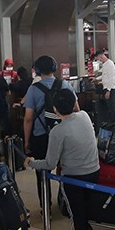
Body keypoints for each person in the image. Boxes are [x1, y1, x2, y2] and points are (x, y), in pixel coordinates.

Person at [25, 89, 99, 230]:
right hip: (94, 172)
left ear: (55, 109)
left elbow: (50, 163)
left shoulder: (58, 131)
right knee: (84, 209)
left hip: (74, 178)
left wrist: (32, 163)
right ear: (74, 103)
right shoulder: (84, 116)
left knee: (76, 213)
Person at [24, 55, 77, 206]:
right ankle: (64, 200)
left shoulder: (33, 89)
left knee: (42, 171)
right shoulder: (65, 85)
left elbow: (28, 118)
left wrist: (27, 141)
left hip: (41, 136)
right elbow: (76, 110)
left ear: (37, 70)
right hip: (64, 134)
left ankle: (45, 206)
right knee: (64, 167)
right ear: (54, 68)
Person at [95, 51, 115, 124]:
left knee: (112, 106)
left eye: (98, 59)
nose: (99, 61)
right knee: (109, 106)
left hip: (111, 88)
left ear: (101, 57)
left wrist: (108, 90)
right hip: (107, 88)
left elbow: (111, 78)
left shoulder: (110, 64)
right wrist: (96, 79)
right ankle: (112, 121)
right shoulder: (105, 64)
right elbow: (105, 75)